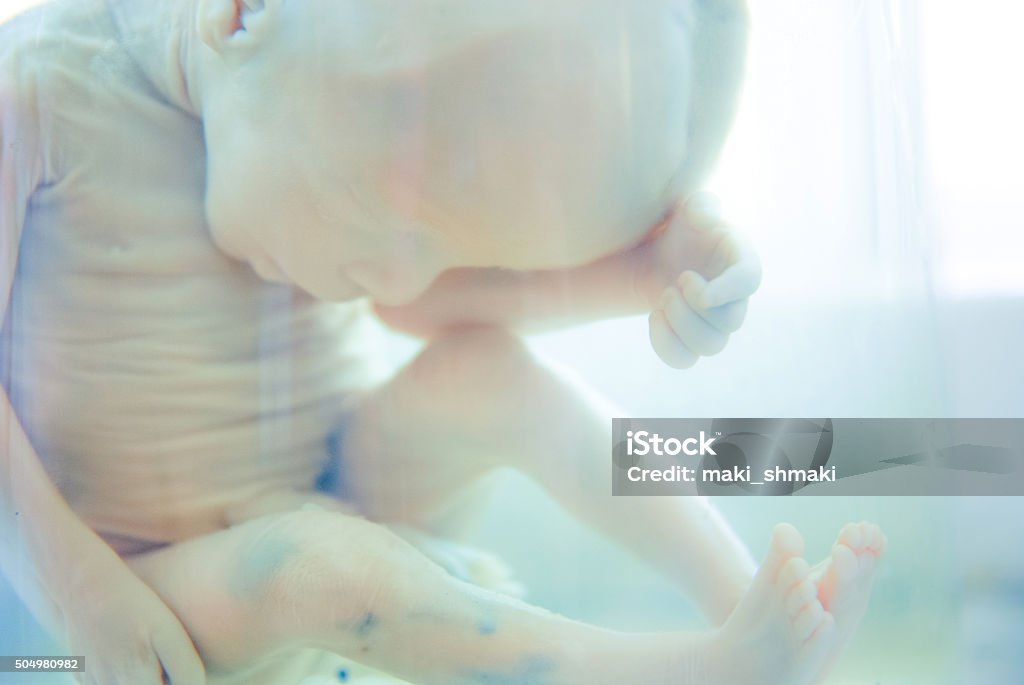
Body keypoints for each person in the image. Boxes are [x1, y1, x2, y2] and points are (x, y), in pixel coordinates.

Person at [0, 0, 886, 683]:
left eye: (437, 247)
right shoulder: (37, 85)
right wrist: (76, 587)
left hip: (347, 476)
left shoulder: (271, 92)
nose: (400, 283)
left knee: (488, 371)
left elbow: (419, 317)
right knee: (311, 563)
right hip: (156, 573)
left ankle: (747, 599)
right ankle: (696, 671)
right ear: (242, 9)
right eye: (372, 216)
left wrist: (648, 269)